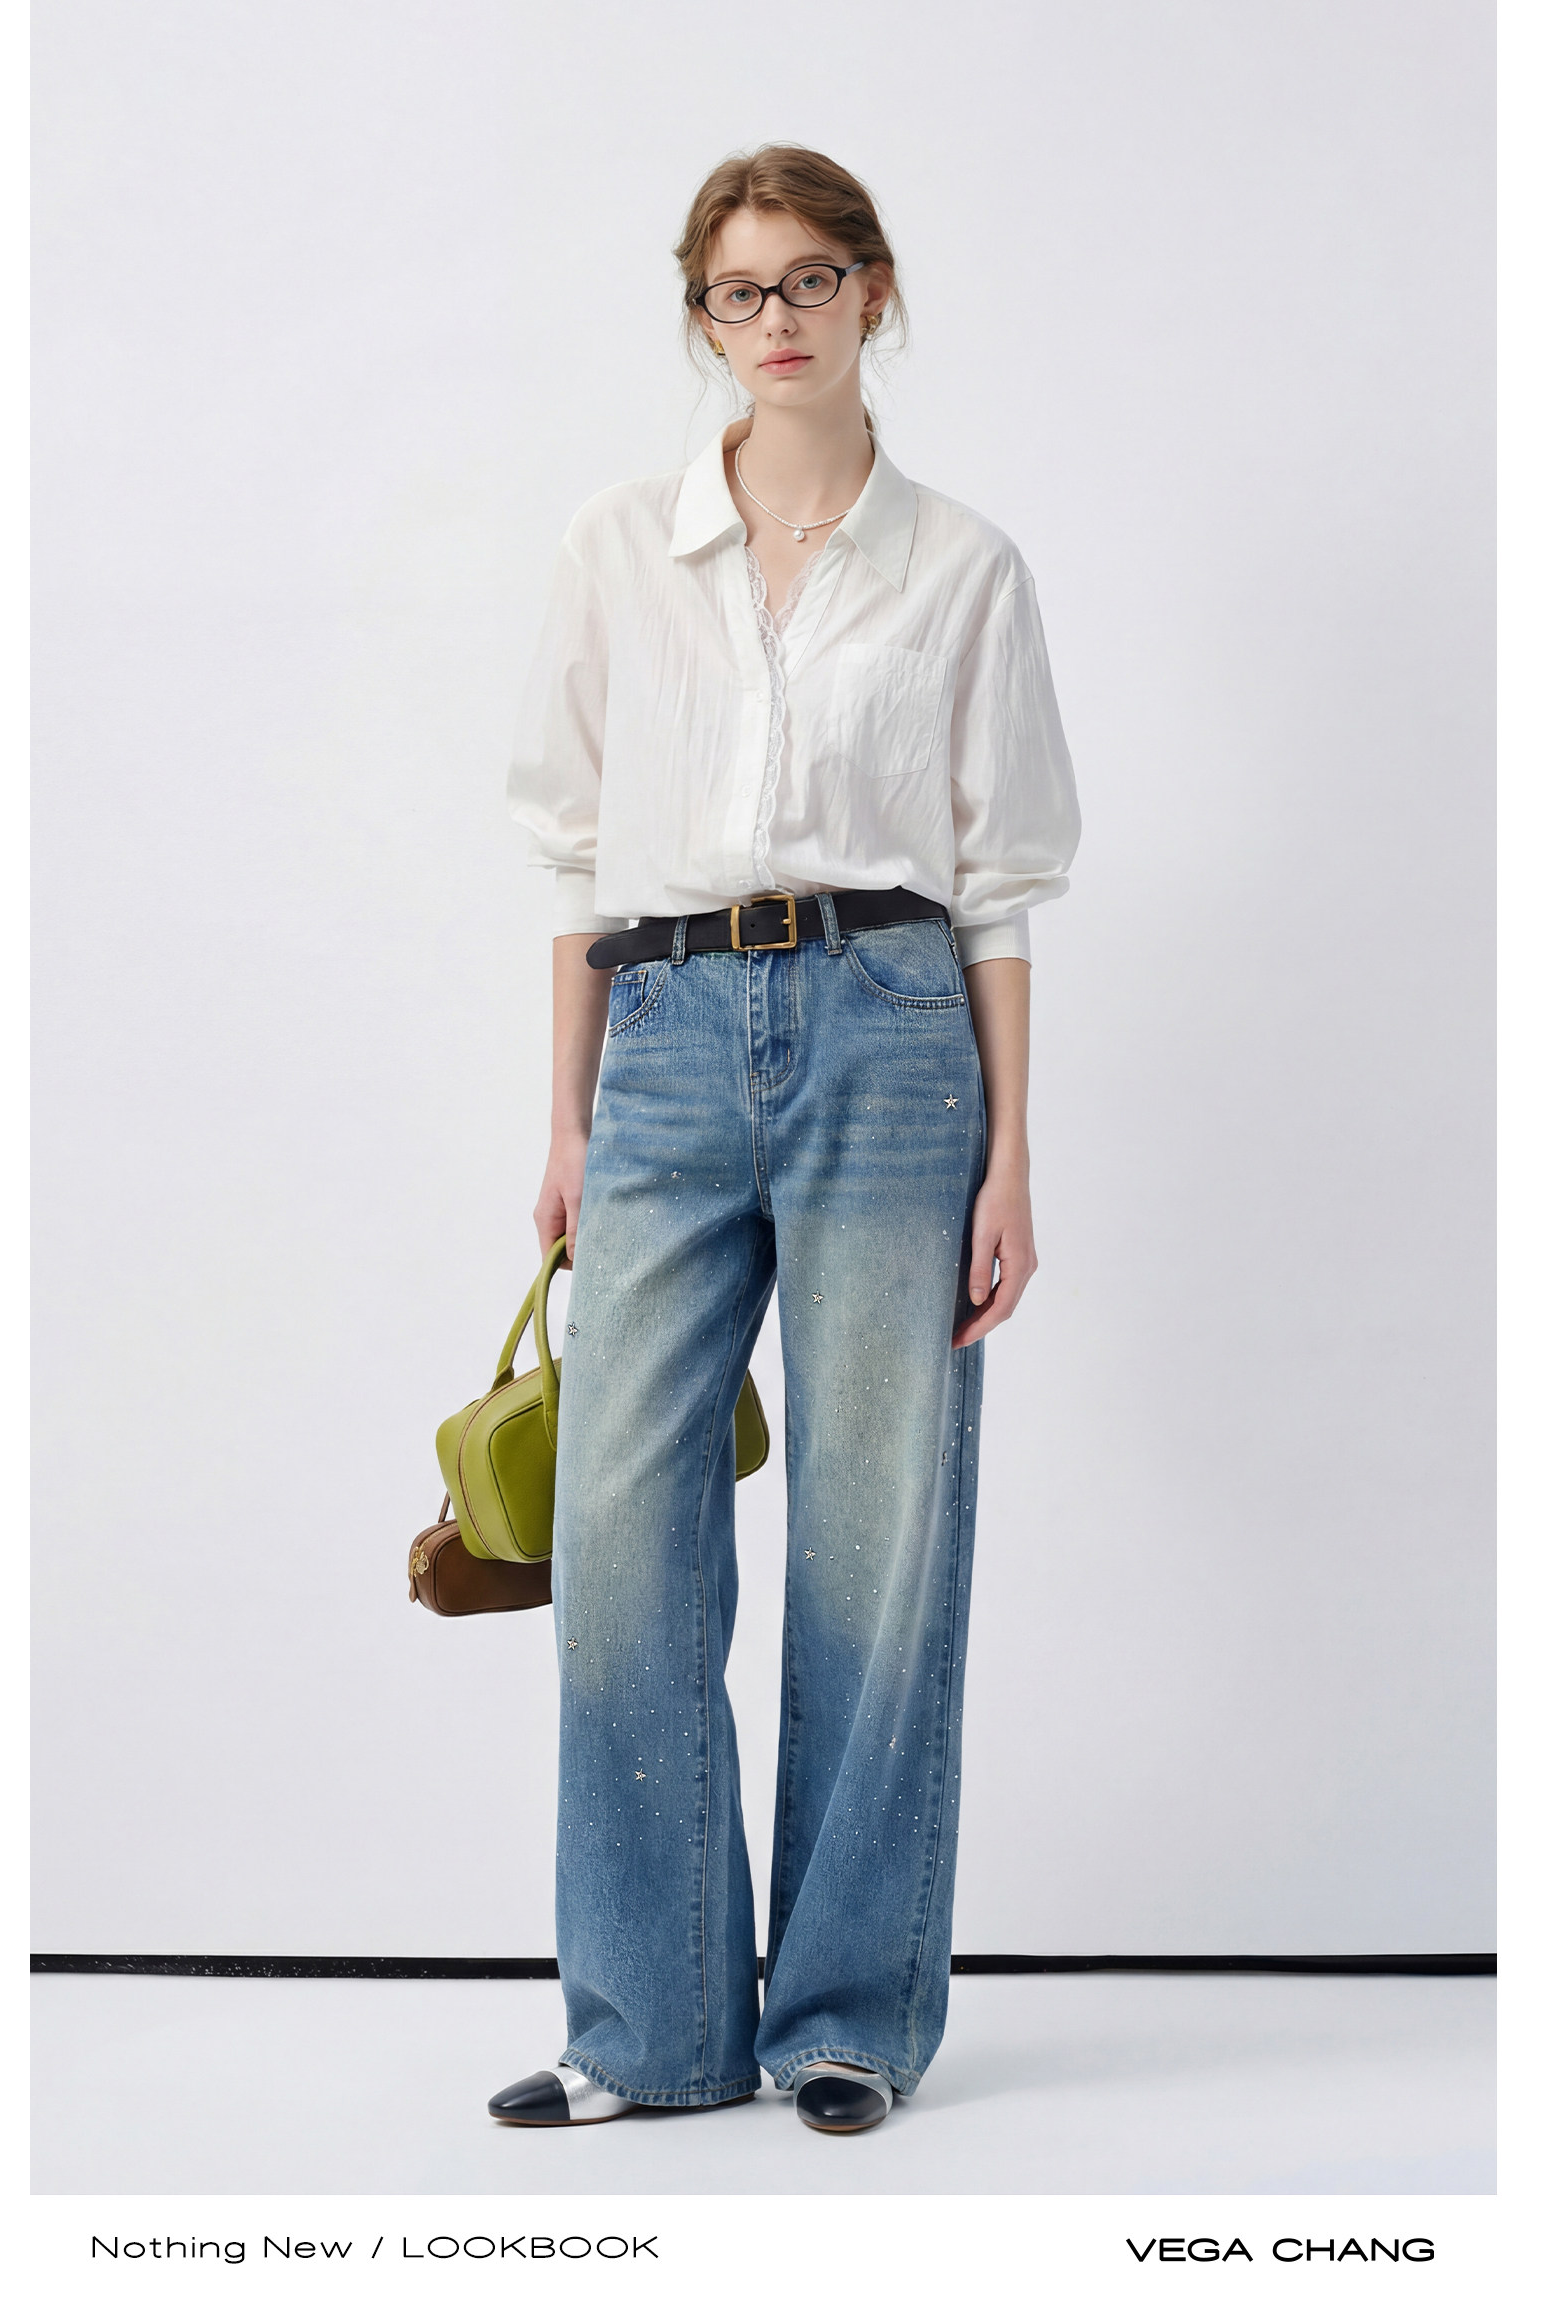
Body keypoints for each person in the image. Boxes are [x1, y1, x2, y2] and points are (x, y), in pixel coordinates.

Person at [492, 145, 1079, 2136]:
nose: (778, 319)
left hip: (894, 1040)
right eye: (739, 291)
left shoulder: (961, 566)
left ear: (872, 292)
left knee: (875, 1542)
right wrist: (564, 1118)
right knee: (621, 1536)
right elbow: (571, 858)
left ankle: (842, 2017)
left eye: (812, 279)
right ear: (700, 316)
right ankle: (646, 2026)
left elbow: (999, 886)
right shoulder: (614, 549)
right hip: (661, 1036)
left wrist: (1011, 1156)